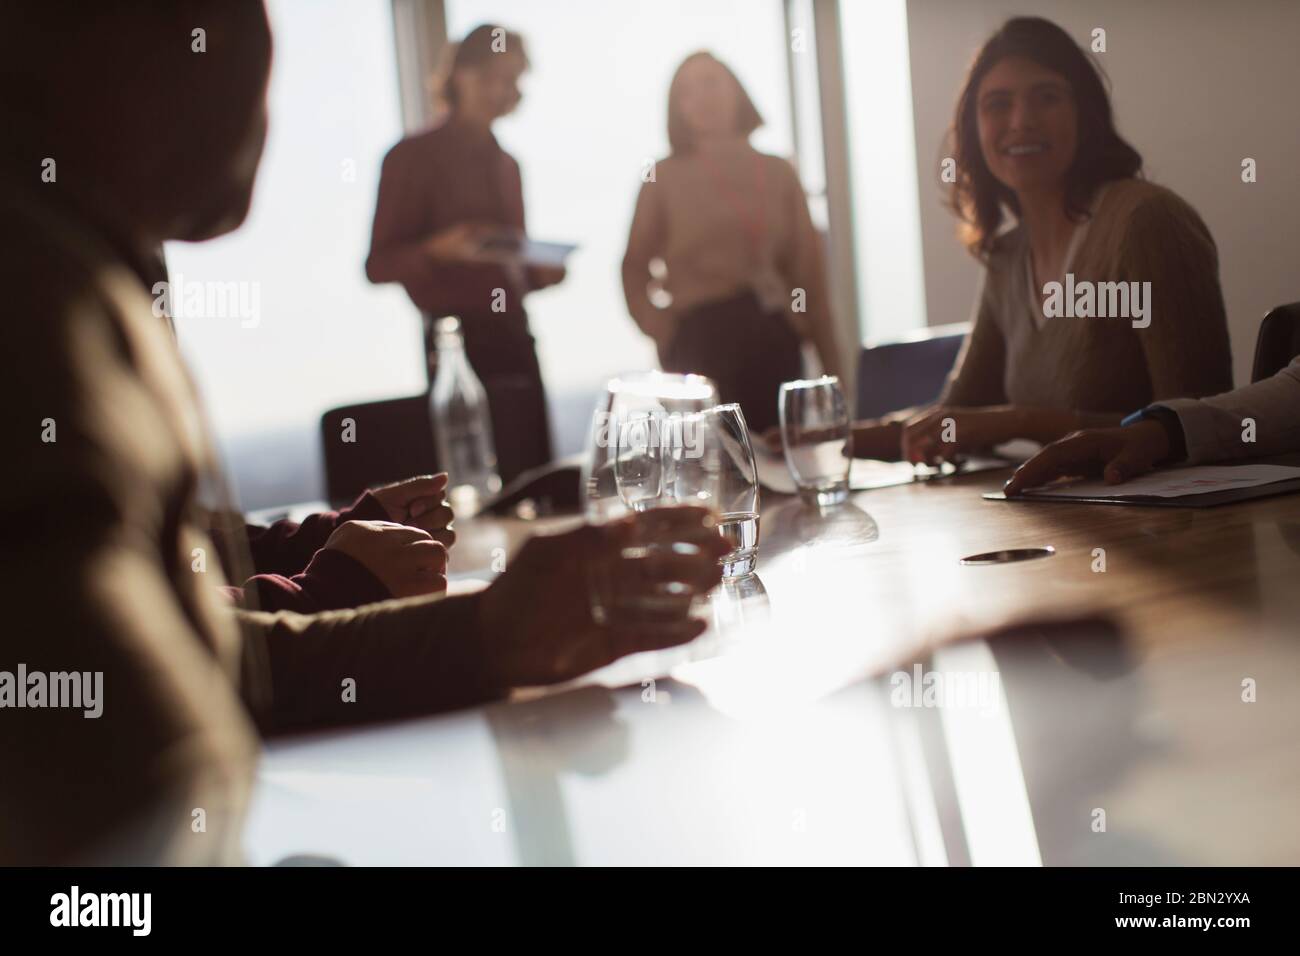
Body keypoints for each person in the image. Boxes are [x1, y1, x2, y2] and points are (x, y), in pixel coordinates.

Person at [0, 1, 726, 864]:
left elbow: (171, 588)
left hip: (511, 338)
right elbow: (125, 766)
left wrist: (335, 544)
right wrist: (349, 588)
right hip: (456, 338)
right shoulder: (39, 308)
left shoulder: (68, 249)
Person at [847, 17, 1233, 465]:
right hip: (1061, 519)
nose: (1021, 121)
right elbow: (955, 415)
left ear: (1084, 115)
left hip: (1165, 526)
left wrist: (1020, 421)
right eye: (998, 103)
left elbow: (1198, 424)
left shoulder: (1146, 221)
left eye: (1046, 98)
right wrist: (822, 437)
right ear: (974, 130)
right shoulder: (1007, 256)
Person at [366, 24, 562, 485]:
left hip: (516, 333)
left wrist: (538, 274)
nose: (505, 89)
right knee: (475, 478)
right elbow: (377, 265)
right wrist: (439, 249)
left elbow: (510, 263)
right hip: (454, 342)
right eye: (495, 75)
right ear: (461, 75)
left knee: (534, 475)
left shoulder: (507, 163)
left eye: (514, 79)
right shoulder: (410, 157)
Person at [622, 51, 843, 434]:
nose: (702, 96)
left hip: (773, 335)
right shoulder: (662, 176)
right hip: (699, 340)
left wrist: (835, 378)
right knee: (714, 465)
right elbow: (633, 265)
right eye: (687, 90)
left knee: (778, 459)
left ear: (736, 90)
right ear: (677, 108)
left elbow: (810, 275)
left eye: (711, 82)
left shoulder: (778, 171)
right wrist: (659, 327)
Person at [1004, 356, 1300, 494]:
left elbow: (1194, 388)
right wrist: (1159, 432)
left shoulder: (1146, 232)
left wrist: (1021, 421)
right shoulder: (1003, 252)